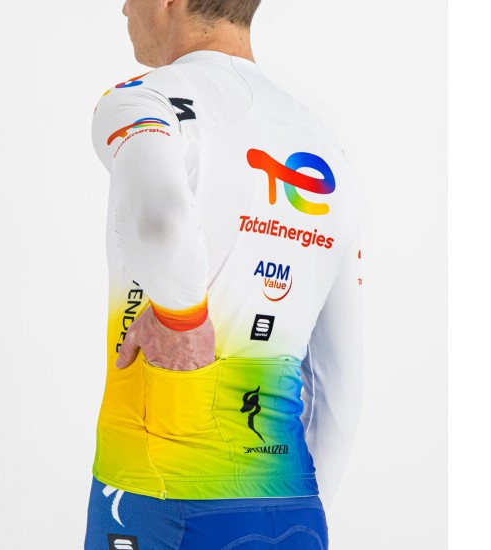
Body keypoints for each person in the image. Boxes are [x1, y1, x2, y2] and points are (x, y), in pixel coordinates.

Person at [85, 1, 363, 548]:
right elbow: (341, 380)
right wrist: (289, 508)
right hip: (294, 510)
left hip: (157, 502)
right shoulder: (327, 148)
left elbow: (159, 220)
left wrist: (183, 319)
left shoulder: (144, 99)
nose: (124, 7)